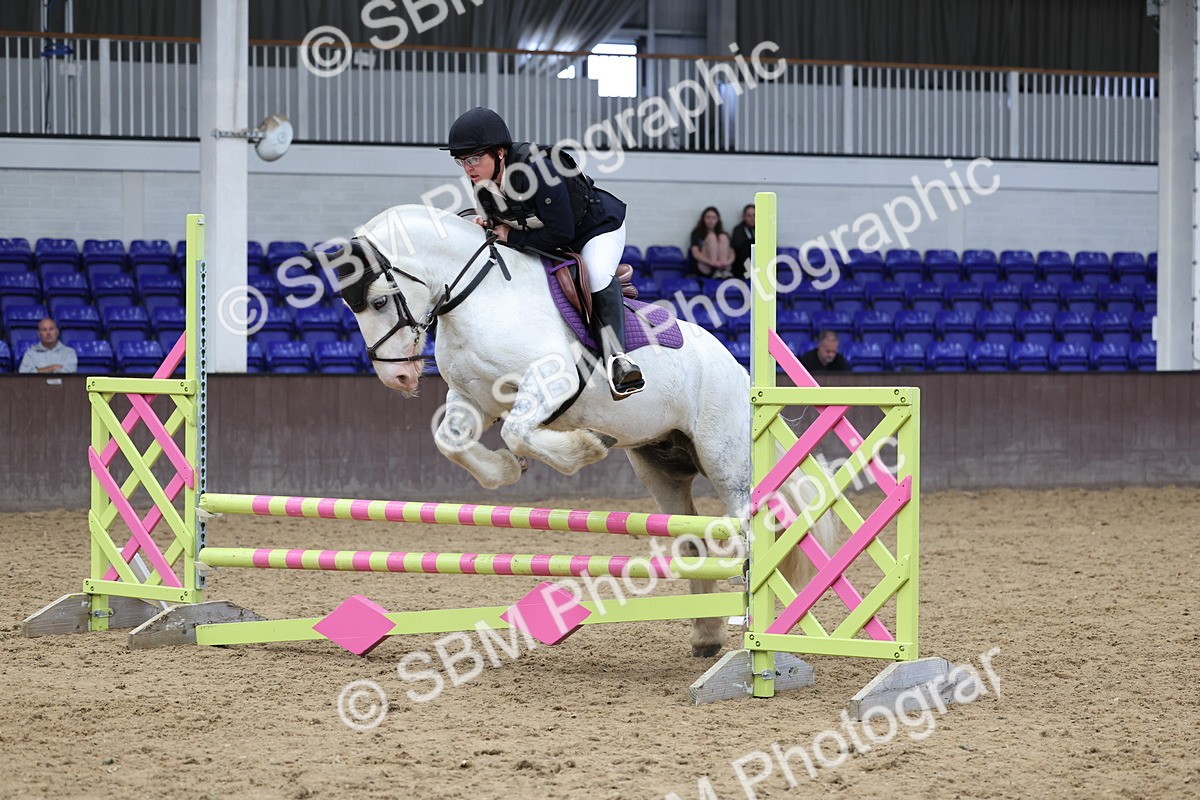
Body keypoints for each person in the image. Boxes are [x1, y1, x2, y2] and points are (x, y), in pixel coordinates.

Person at [444, 107, 644, 400]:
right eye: (462, 161)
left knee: (596, 273)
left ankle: (619, 359)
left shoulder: (538, 169)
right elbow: (502, 220)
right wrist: (487, 223)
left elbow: (560, 232)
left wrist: (511, 235)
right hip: (552, 238)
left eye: (474, 158)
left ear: (500, 153)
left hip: (594, 229)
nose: (468, 168)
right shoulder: (483, 184)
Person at [689, 206, 735, 278]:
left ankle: (721, 271)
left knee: (723, 237)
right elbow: (695, 253)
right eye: (708, 217)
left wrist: (727, 262)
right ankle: (715, 271)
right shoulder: (697, 233)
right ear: (703, 219)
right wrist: (711, 262)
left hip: (723, 265)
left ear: (717, 220)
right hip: (706, 265)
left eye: (713, 218)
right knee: (711, 237)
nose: (710, 221)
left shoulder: (724, 234)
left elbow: (731, 252)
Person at [729, 203, 755, 279]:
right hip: (742, 267)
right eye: (749, 216)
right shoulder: (738, 230)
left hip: (758, 262)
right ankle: (751, 273)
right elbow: (739, 248)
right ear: (744, 217)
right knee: (746, 245)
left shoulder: (763, 230)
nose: (752, 218)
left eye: (754, 215)